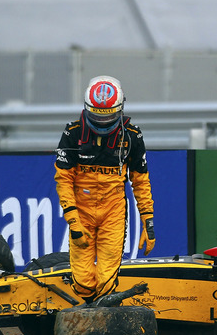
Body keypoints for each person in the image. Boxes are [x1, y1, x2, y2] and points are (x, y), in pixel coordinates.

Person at [54, 75, 155, 302]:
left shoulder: (132, 135)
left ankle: (102, 331)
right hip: (82, 212)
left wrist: (148, 222)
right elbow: (63, 179)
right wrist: (72, 219)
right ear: (86, 108)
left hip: (114, 211)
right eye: (97, 116)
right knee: (82, 284)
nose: (102, 122)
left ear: (120, 109)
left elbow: (141, 182)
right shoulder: (73, 133)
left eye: (109, 116)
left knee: (107, 282)